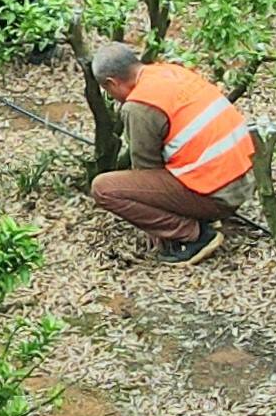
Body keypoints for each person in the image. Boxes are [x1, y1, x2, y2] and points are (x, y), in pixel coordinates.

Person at [82, 42, 255, 265]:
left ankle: (194, 235)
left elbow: (146, 171)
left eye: (108, 92)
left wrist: (156, 224)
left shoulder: (139, 107)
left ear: (111, 83)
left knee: (104, 188)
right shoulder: (169, 72)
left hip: (216, 194)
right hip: (241, 179)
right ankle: (199, 215)